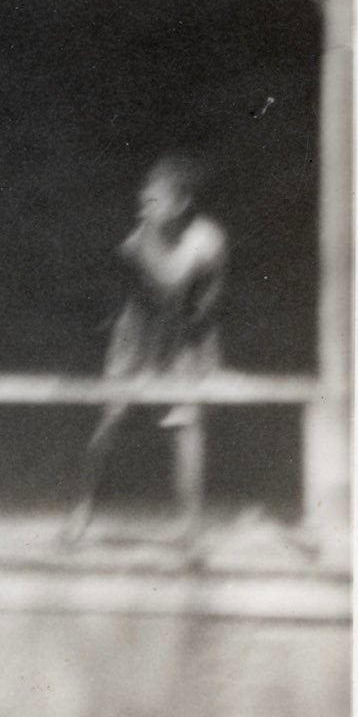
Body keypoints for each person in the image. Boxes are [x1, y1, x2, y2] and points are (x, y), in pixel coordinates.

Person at [65, 153, 229, 545]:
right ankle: (80, 515)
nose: (143, 202)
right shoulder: (137, 242)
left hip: (185, 338)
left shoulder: (208, 239)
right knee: (111, 422)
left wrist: (204, 356)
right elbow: (130, 300)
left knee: (186, 425)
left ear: (181, 203)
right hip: (139, 335)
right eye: (144, 195)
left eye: (154, 197)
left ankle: (190, 527)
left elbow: (202, 300)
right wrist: (135, 354)